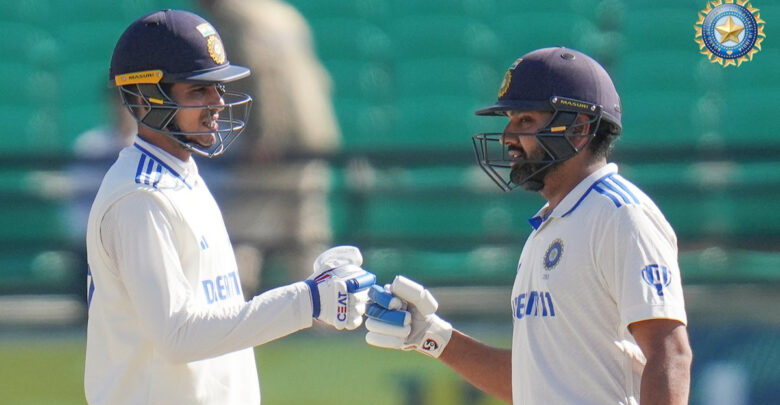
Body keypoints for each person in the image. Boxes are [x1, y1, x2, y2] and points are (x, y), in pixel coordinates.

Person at [364, 47, 693, 404]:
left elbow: (670, 354)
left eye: (525, 121)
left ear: (579, 129)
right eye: (510, 120)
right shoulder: (548, 227)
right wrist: (430, 335)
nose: (507, 137)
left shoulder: (620, 214)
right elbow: (530, 382)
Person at [84, 10, 374, 405]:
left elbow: (217, 320)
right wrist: (308, 301)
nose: (218, 102)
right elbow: (178, 336)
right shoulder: (141, 198)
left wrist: (317, 296)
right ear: (144, 96)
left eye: (217, 88)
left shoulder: (182, 176)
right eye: (198, 91)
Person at [199, 0, 341, 286]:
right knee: (307, 239)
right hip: (312, 133)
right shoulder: (282, 13)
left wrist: (267, 135)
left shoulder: (235, 17)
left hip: (277, 142)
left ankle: (227, 315)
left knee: (242, 236)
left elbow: (262, 74)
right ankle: (326, 316)